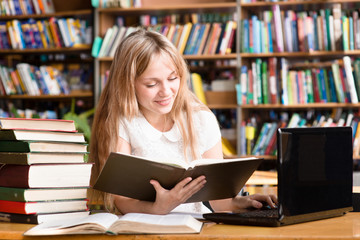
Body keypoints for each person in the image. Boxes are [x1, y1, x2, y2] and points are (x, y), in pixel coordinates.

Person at [89, 29, 277, 215]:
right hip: (140, 228)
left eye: (173, 78)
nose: (166, 91)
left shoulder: (201, 119)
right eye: (151, 84)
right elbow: (122, 201)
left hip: (194, 227)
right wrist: (158, 208)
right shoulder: (121, 123)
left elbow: (219, 202)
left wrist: (243, 202)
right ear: (127, 84)